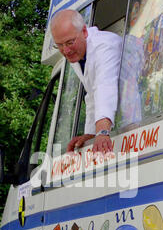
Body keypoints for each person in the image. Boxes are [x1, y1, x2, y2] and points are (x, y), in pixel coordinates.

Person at [50, 9, 122, 155]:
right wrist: (91, 134)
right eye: (60, 45)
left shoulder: (104, 46)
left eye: (70, 42)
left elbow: (104, 87)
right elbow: (92, 95)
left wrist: (102, 131)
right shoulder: (78, 53)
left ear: (84, 31)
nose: (66, 50)